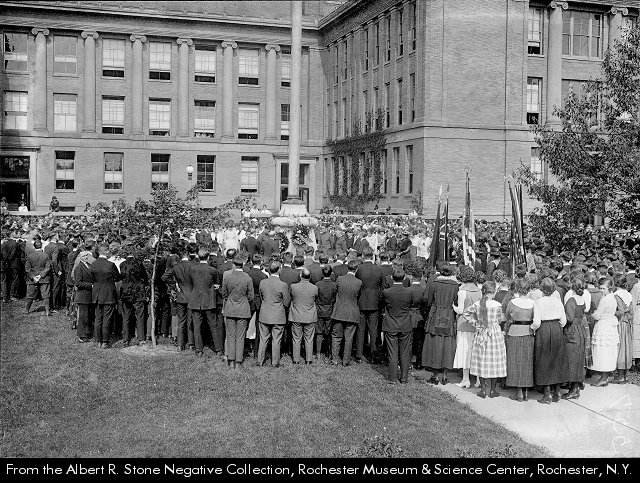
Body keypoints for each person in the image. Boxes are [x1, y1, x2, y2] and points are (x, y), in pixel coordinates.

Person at [465, 281, 507, 399]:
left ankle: (483, 390)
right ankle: (493, 390)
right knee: (495, 362)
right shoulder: (498, 305)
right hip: (495, 335)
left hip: (482, 334)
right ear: (493, 292)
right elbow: (500, 319)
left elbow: (466, 314)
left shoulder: (477, 304)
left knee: (482, 361)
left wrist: (477, 324)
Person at [532, 277, 569, 403]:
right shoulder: (558, 302)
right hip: (556, 329)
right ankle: (557, 391)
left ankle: (547, 393)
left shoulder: (538, 302)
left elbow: (536, 322)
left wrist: (532, 328)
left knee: (544, 360)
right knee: (557, 359)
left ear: (542, 289)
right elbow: (563, 321)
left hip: (544, 329)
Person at [422, 261, 459, 385]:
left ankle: (435, 375)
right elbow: (456, 301)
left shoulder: (434, 282)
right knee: (447, 343)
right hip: (449, 314)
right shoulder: (455, 285)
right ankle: (445, 375)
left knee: (435, 342)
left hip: (436, 312)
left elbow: (427, 299)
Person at [382, 269, 415, 384]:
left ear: (392, 277)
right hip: (405, 324)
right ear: (404, 278)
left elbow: (382, 304)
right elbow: (411, 304)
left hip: (391, 324)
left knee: (392, 352)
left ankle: (393, 378)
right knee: (405, 352)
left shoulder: (386, 292)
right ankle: (404, 378)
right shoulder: (409, 292)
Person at [221, 255, 254, 369]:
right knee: (240, 336)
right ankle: (239, 361)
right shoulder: (247, 278)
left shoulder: (227, 277)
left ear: (234, 265)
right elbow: (251, 296)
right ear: (243, 265)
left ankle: (231, 361)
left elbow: (224, 294)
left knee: (230, 336)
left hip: (230, 308)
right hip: (243, 309)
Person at [355, 247, 387, 363]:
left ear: (363, 256)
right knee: (373, 330)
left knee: (361, 329)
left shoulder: (359, 269)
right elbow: (383, 286)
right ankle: (373, 353)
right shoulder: (378, 269)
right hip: (374, 303)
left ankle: (359, 354)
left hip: (361, 302)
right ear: (372, 256)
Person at [189, 247, 221, 358]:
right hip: (208, 300)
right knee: (213, 325)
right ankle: (218, 349)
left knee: (197, 327)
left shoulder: (193, 269)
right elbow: (217, 284)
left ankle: (199, 350)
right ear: (208, 257)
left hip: (195, 299)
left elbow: (192, 282)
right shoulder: (212, 270)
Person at [452, 265, 481, 388]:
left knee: (464, 350)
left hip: (464, 323)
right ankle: (478, 379)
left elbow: (460, 310)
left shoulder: (462, 291)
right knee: (475, 351)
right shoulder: (479, 290)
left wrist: (452, 306)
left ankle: (466, 379)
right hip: (476, 323)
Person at [162, 245, 196, 352]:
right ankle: (191, 344)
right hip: (191, 296)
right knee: (190, 321)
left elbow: (164, 277)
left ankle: (180, 345)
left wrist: (175, 284)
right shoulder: (193, 265)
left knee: (181, 321)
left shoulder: (176, 267)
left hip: (180, 296)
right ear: (188, 255)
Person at [257, 261, 291, 367]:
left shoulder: (263, 282)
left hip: (265, 314)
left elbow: (261, 297)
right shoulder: (283, 285)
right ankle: (275, 362)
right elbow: (287, 302)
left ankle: (260, 360)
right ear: (279, 270)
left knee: (263, 338)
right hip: (278, 315)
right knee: (276, 339)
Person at [330, 259, 362, 366]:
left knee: (336, 337)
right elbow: (359, 296)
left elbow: (335, 292)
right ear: (356, 269)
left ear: (347, 268)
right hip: (352, 312)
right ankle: (346, 360)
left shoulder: (340, 279)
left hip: (339, 311)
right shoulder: (358, 282)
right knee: (349, 338)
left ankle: (334, 359)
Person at [589, 278, 620, 387]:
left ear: (609, 288)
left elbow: (597, 315)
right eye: (600, 288)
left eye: (604, 288)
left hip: (603, 326)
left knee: (602, 351)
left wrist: (591, 313)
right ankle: (605, 377)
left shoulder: (605, 299)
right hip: (610, 326)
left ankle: (603, 378)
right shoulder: (612, 297)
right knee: (607, 350)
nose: (601, 290)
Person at [91, 243, 122, 349]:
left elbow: (91, 277)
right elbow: (117, 277)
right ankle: (105, 341)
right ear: (107, 251)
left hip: (97, 293)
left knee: (98, 318)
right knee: (107, 318)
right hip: (108, 293)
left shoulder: (93, 264)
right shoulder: (110, 265)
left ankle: (98, 340)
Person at [562, 277, 588, 399]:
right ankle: (576, 386)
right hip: (580, 329)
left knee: (571, 359)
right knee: (578, 359)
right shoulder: (581, 299)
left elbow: (569, 318)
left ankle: (574, 389)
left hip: (572, 330)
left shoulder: (571, 300)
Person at [119, 250, 149, 346]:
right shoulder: (139, 264)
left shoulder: (122, 264)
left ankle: (125, 338)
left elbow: (122, 277)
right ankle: (141, 338)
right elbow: (145, 276)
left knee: (126, 316)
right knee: (140, 316)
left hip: (126, 292)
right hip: (138, 293)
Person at [289, 267, 318, 364]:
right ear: (310, 276)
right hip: (309, 316)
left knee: (296, 338)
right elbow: (316, 298)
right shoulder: (314, 288)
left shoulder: (293, 287)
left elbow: (291, 297)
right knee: (309, 338)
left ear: (300, 275)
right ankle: (309, 359)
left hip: (296, 315)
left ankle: (296, 359)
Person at [613, 273, 633, 384]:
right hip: (627, 323)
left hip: (619, 322)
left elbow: (619, 311)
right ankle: (625, 375)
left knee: (620, 346)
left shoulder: (616, 295)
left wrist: (613, 313)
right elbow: (631, 312)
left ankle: (620, 375)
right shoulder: (628, 294)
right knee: (626, 346)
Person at [315, 265, 337, 360]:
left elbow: (316, 297)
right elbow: (334, 298)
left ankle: (318, 353)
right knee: (329, 332)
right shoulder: (334, 285)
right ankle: (329, 352)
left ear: (322, 273)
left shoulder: (318, 284)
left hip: (319, 310)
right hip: (330, 310)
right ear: (331, 273)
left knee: (319, 332)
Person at [25, 239, 52, 316]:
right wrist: (40, 275)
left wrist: (33, 277)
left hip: (32, 279)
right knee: (46, 295)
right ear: (41, 246)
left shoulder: (30, 256)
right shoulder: (46, 255)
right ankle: (47, 311)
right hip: (44, 278)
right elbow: (48, 267)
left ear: (34, 247)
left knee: (30, 295)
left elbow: (27, 268)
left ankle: (27, 310)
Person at [73, 250, 95, 342]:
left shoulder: (89, 265)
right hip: (83, 295)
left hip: (90, 295)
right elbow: (78, 283)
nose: (86, 257)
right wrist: (91, 285)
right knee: (83, 317)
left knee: (89, 316)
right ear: (80, 257)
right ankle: (81, 335)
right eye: (84, 256)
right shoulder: (79, 268)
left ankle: (88, 333)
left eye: (87, 255)